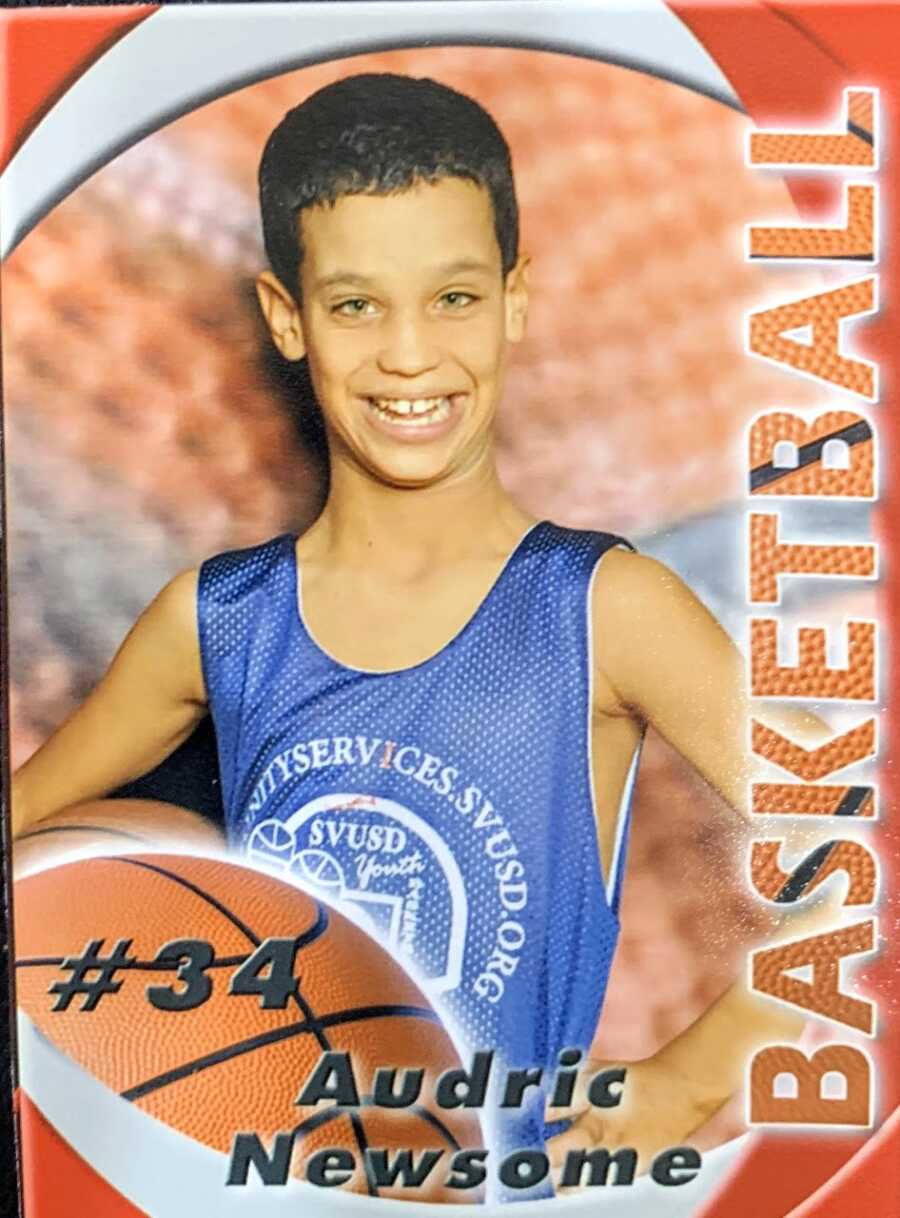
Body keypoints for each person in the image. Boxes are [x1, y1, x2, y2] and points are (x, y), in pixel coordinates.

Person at [12, 73, 813, 1200]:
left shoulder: (608, 609)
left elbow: (848, 865)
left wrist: (691, 1077)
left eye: (452, 299)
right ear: (290, 317)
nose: (407, 355)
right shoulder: (218, 615)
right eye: (354, 305)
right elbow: (31, 834)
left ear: (514, 300)